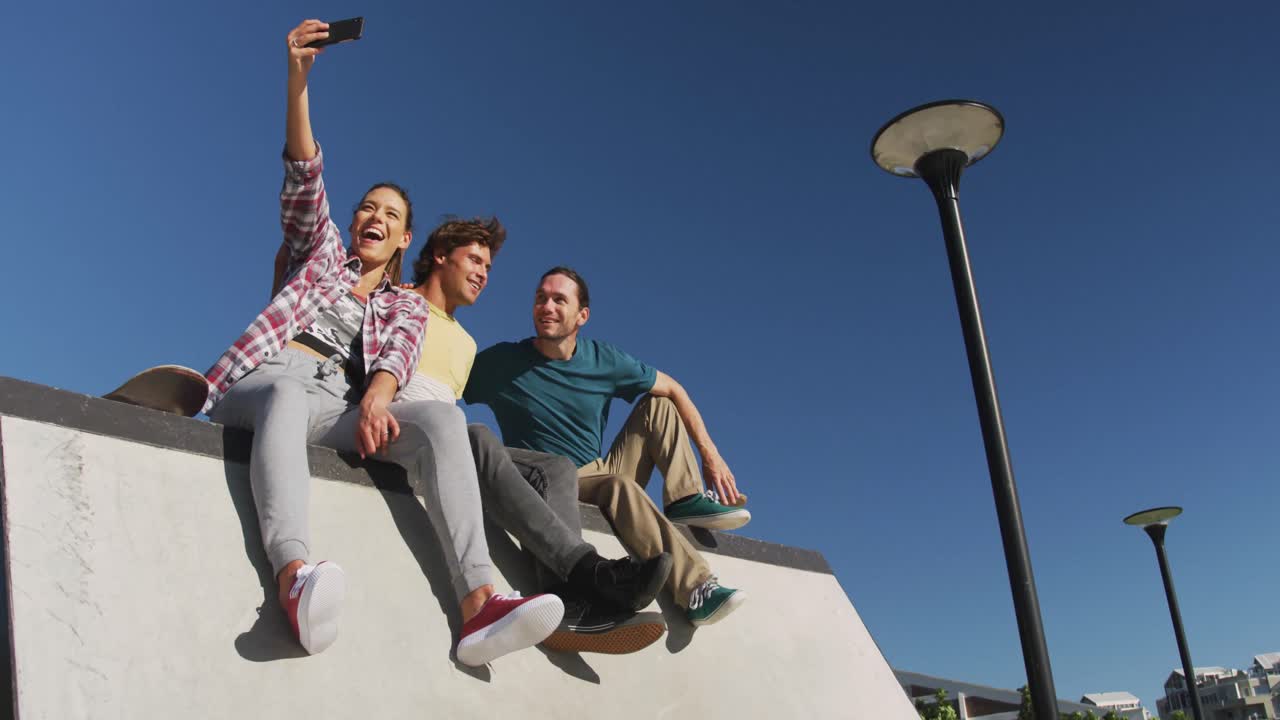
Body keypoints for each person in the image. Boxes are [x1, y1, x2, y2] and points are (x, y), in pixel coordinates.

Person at [204, 19, 561, 665]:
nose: (375, 217)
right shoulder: (322, 255)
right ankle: (293, 579)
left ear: (404, 240)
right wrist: (298, 79)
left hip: (336, 406)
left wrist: (375, 399)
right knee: (286, 393)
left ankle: (480, 604)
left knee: (445, 422)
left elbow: (397, 353)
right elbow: (304, 176)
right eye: (369, 208)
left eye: (391, 215)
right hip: (266, 381)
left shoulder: (404, 304)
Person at [276, 216, 674, 654]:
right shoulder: (392, 301)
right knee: (477, 434)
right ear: (440, 257)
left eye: (488, 266)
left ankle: (568, 603)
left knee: (556, 469)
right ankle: (590, 571)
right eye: (474, 261)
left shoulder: (467, 345)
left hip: (444, 439)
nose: (484, 274)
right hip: (393, 428)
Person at [464, 267, 748, 626]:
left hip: (599, 468)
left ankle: (684, 497)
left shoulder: (603, 359)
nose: (546, 307)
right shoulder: (502, 362)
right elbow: (448, 378)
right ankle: (696, 589)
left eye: (559, 300)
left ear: (582, 315)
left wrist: (711, 456)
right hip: (547, 478)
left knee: (659, 403)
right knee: (619, 486)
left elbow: (675, 388)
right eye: (540, 298)